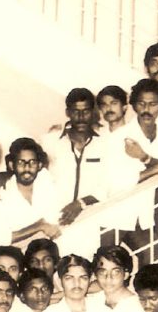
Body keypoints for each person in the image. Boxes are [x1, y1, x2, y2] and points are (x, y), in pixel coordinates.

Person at [100, 79, 158, 264]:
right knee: (106, 264)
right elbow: (119, 181)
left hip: (142, 214)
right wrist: (156, 169)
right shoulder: (120, 137)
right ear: (134, 106)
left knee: (156, 260)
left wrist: (145, 158)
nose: (146, 110)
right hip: (116, 211)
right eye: (141, 104)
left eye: (153, 104)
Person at [42, 88, 109, 255]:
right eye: (75, 111)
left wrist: (81, 203)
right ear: (68, 112)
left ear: (93, 112)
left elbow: (107, 184)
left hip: (90, 220)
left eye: (86, 111)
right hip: (56, 222)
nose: (80, 117)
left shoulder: (104, 143)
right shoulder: (50, 141)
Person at [0, 137, 62, 245]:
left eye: (32, 162)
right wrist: (39, 226)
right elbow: (0, 238)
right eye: (21, 162)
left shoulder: (46, 180)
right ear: (12, 165)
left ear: (39, 165)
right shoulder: (4, 193)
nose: (27, 168)